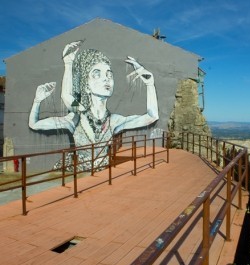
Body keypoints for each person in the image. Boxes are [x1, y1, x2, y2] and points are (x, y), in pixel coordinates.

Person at [29, 40, 159, 171]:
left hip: (103, 175)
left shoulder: (114, 121)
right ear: (87, 86)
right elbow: (63, 99)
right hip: (78, 176)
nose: (106, 78)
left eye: (109, 74)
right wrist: (37, 100)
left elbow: (152, 117)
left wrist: (150, 84)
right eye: (97, 74)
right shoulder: (78, 114)